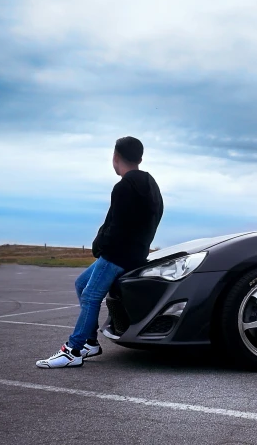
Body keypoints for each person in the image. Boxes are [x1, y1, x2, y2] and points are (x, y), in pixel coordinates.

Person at [37, 136, 164, 368]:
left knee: (90, 295)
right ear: (140, 158)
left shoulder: (124, 187)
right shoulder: (151, 185)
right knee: (81, 284)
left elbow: (116, 226)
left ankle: (73, 350)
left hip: (117, 254)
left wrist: (100, 246)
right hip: (136, 253)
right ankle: (91, 343)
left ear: (115, 157)